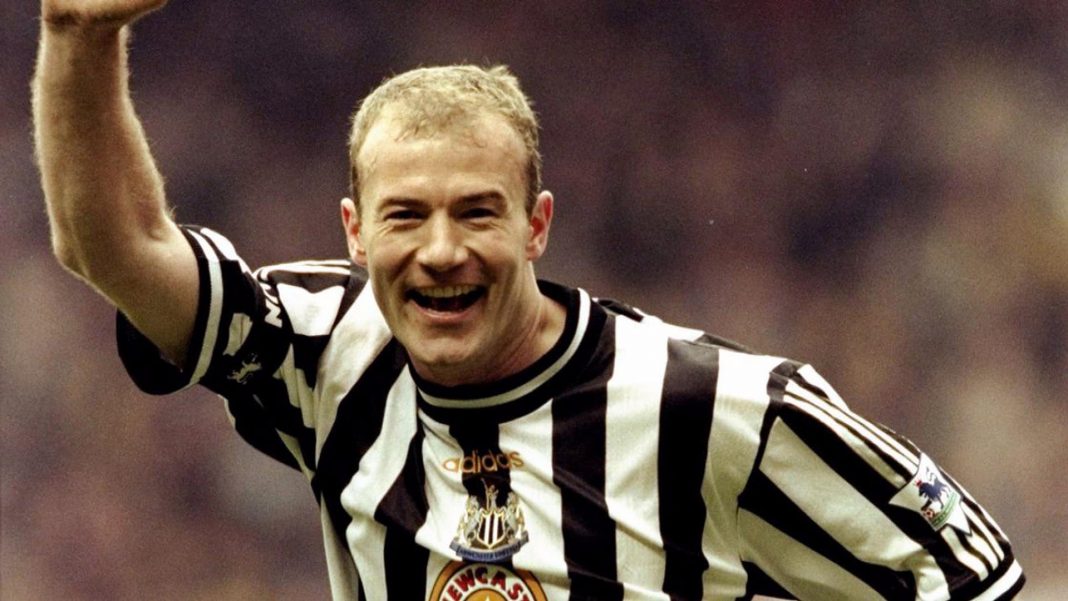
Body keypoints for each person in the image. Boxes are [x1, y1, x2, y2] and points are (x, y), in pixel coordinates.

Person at [32, 1, 1025, 600]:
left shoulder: (714, 407)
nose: (442, 251)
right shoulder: (320, 350)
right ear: (354, 231)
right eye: (406, 215)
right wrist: (75, 32)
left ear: (537, 225)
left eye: (477, 212)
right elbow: (115, 248)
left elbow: (965, 574)